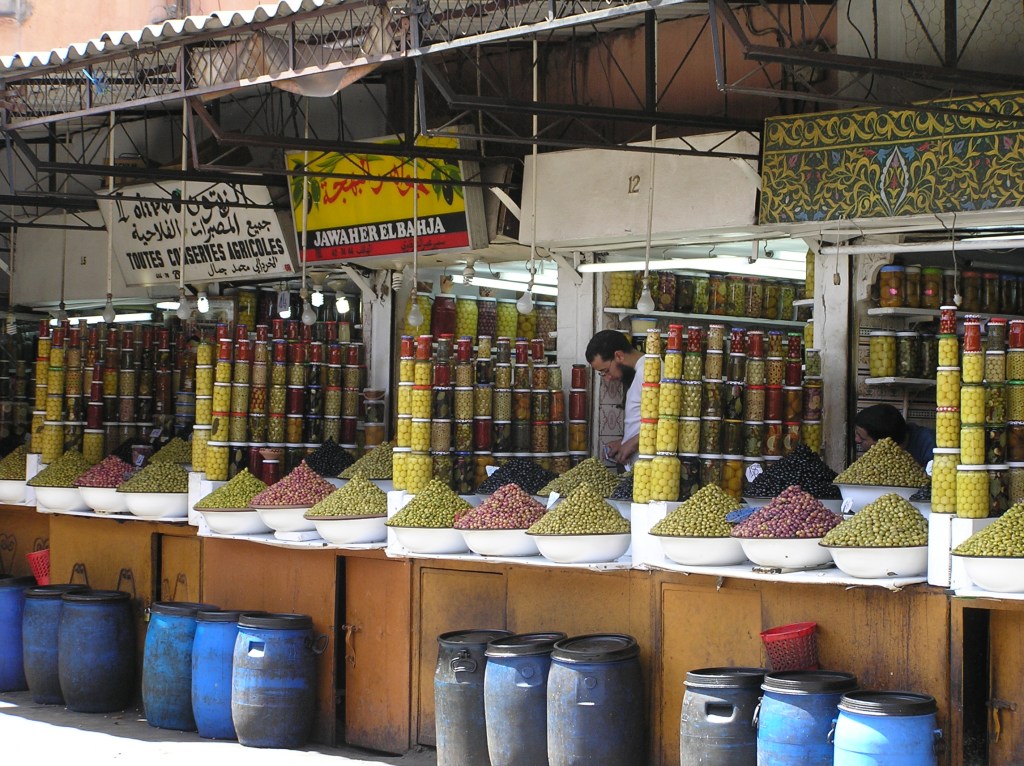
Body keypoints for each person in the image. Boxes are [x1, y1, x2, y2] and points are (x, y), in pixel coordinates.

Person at [585, 329, 645, 466]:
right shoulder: (639, 371)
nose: (607, 378)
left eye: (605, 371)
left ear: (619, 356)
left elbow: (666, 421)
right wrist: (624, 442)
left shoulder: (649, 372)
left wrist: (633, 443)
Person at [854, 403, 936, 468]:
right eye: (856, 433)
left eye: (862, 438)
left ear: (886, 443)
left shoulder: (931, 446)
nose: (856, 440)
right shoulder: (879, 456)